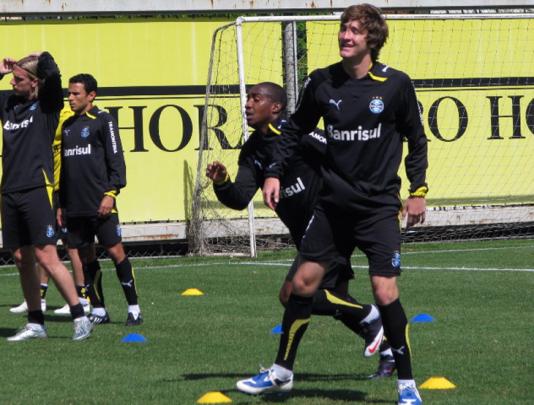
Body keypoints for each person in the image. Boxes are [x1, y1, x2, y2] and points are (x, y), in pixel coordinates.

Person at [244, 5, 428, 405]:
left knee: (384, 290)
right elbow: (295, 129)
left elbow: (416, 139)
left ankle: (407, 385)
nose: (346, 36)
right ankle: (281, 374)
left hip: (377, 208)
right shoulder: (322, 81)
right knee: (301, 286)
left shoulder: (395, 84)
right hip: (332, 208)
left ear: (371, 40)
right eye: (344, 29)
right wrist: (273, 172)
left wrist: (418, 190)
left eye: (355, 31)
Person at [206, 82, 396, 380]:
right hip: (307, 234)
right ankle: (387, 349)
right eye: (248, 99)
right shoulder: (253, 149)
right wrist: (222, 182)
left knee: (292, 294)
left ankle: (369, 317)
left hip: (331, 224)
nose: (247, 104)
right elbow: (240, 197)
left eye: (256, 98)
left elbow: (343, 155)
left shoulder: (300, 134)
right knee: (334, 298)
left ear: (276, 107)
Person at [0, 52, 93, 341]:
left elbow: (53, 76)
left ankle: (80, 316)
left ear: (34, 82)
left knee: (46, 255)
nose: (13, 83)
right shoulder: (9, 104)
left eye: (18, 79)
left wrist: (42, 58)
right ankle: (36, 322)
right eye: (12, 78)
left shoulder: (47, 107)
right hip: (9, 189)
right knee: (20, 257)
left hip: (35, 189)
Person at [57, 73, 142, 326]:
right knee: (86, 258)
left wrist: (111, 193)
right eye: (69, 93)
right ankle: (100, 309)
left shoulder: (104, 121)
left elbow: (117, 160)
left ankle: (134, 308)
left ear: (91, 96)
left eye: (76, 94)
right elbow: (66, 171)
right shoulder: (67, 126)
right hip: (75, 207)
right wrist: (61, 204)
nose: (70, 98)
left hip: (100, 204)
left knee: (116, 252)